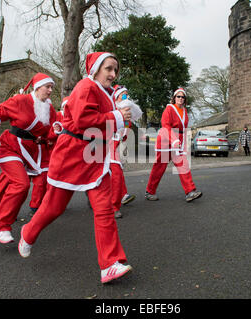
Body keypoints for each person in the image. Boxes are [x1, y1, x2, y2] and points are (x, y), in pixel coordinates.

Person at [18, 52, 133, 284]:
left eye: (115, 70)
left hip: (95, 156)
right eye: (109, 68)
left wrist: (120, 120)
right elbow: (83, 120)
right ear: (96, 69)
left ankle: (109, 264)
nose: (113, 74)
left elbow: (100, 123)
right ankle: (28, 233)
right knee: (54, 207)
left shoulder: (105, 93)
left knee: (104, 209)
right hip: (72, 154)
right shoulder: (86, 86)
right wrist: (118, 117)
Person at [0, 72, 57, 243]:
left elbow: (50, 132)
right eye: (47, 87)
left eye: (52, 87)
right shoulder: (20, 100)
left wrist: (53, 134)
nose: (50, 91)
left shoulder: (50, 109)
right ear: (37, 87)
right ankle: (2, 226)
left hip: (31, 151)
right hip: (11, 146)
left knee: (1, 190)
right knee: (21, 184)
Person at [145, 88, 202, 202]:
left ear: (185, 99)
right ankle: (149, 191)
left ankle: (190, 191)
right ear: (174, 98)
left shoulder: (185, 111)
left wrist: (183, 143)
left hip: (178, 141)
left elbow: (184, 129)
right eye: (178, 96)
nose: (181, 99)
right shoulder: (169, 109)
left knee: (183, 164)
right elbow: (166, 126)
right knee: (159, 167)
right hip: (166, 140)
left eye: (183, 97)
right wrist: (174, 140)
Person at [110, 85, 140, 218]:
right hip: (102, 145)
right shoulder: (110, 108)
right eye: (123, 95)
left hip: (114, 147)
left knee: (116, 172)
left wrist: (125, 134)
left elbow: (126, 127)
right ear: (116, 97)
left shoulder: (125, 112)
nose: (126, 98)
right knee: (114, 173)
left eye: (127, 95)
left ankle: (121, 196)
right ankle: (113, 206)